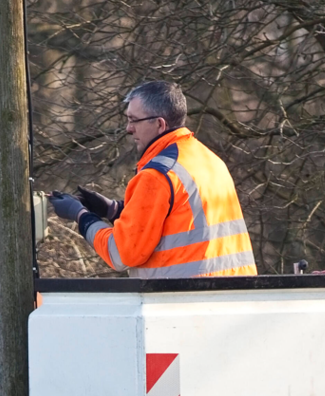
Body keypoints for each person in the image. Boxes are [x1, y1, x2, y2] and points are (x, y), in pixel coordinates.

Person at [49, 81, 257, 278]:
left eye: (133, 120)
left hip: (182, 301)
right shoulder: (208, 160)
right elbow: (179, 221)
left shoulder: (158, 175)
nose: (129, 128)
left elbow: (121, 254)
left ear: (159, 124)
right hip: (233, 298)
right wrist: (113, 210)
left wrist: (80, 215)